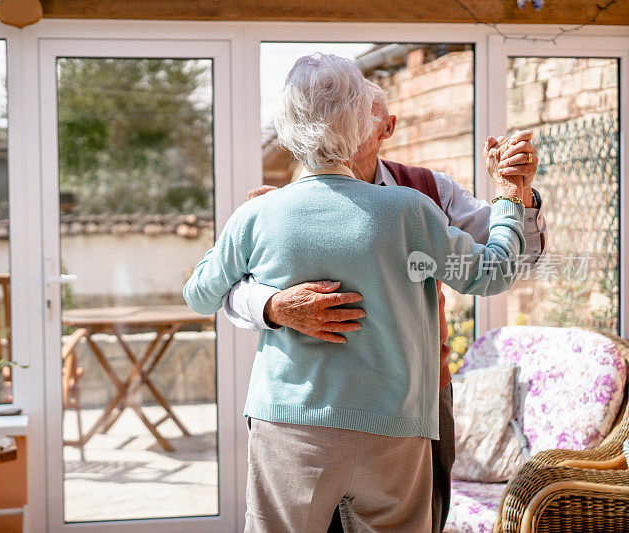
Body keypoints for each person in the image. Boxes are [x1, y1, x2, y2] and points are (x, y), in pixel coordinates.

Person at [183, 53, 529, 532]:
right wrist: (511, 196)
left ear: (285, 126)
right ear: (361, 124)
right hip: (395, 427)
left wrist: (257, 283)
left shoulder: (258, 214)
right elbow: (492, 274)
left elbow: (200, 295)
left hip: (290, 427)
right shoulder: (411, 211)